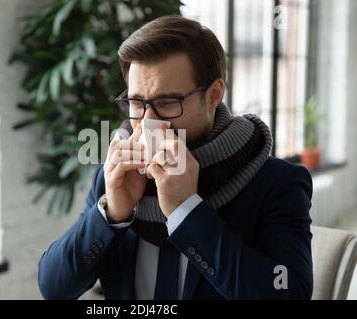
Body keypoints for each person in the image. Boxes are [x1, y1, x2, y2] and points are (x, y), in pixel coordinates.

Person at [38, 15, 313, 300]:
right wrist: (111, 215)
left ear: (213, 95)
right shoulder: (114, 177)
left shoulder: (277, 183)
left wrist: (187, 212)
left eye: (167, 102)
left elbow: (289, 293)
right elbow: (53, 287)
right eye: (136, 103)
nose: (146, 123)